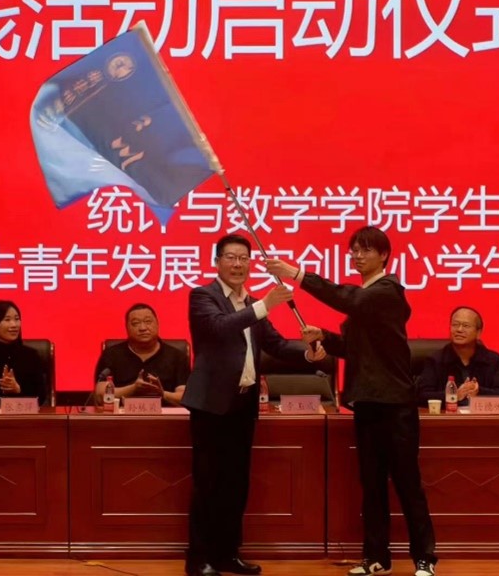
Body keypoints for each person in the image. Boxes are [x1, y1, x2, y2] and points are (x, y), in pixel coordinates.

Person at [266, 226, 438, 576]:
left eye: (366, 250)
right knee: (371, 484)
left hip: (396, 405)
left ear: (384, 255)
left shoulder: (387, 291)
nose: (357, 256)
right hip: (366, 401)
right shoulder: (365, 300)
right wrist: (323, 337)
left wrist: (296, 274)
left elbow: (349, 299)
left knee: (407, 483)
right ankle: (376, 558)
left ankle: (424, 558)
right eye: (354, 251)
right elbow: (352, 348)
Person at [182, 234, 327, 576]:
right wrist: (265, 304)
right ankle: (199, 559)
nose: (237, 264)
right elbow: (219, 328)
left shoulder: (248, 302)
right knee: (208, 483)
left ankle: (227, 554)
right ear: (217, 262)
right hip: (211, 406)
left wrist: (309, 353)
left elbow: (276, 345)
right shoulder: (203, 296)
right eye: (230, 257)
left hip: (243, 404)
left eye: (243, 258)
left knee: (236, 484)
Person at [93, 303, 190, 406]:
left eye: (148, 321)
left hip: (166, 415)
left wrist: (162, 394)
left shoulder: (177, 357)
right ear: (126, 327)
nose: (143, 328)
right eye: (135, 323)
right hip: (122, 414)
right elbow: (100, 394)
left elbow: (185, 398)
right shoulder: (112, 355)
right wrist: (133, 389)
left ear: (157, 324)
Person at [417, 306, 499, 407]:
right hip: (448, 416)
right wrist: (453, 395)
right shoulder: (435, 360)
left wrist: (479, 391)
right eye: (455, 325)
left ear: (478, 333)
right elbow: (422, 396)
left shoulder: (491, 360)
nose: (459, 329)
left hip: (480, 416)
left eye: (466, 326)